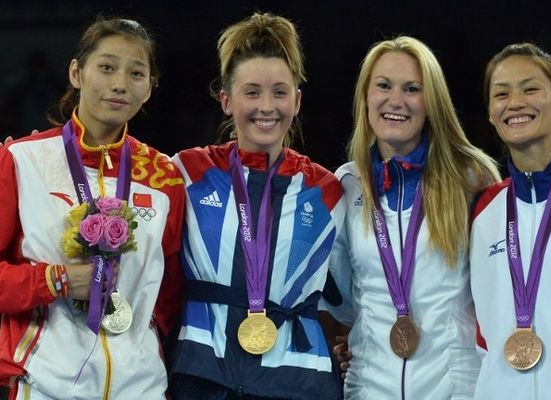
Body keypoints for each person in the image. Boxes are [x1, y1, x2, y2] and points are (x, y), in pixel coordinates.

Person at [0, 17, 186, 399]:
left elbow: (168, 287)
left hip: (141, 386)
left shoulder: (165, 177)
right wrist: (56, 280)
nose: (119, 83)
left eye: (136, 73)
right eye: (106, 67)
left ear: (150, 88)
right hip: (46, 382)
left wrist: (144, 341)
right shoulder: (23, 159)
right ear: (76, 72)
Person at [168, 12, 345, 400]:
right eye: (252, 92)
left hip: (299, 381)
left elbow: (358, 286)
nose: (267, 106)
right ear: (226, 100)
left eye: (280, 92)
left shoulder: (328, 189)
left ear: (296, 102)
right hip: (202, 376)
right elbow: (117, 188)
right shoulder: (186, 171)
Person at [325, 36, 500, 399]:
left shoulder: (472, 178)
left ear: (431, 101)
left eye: (412, 89)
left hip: (457, 387)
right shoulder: (347, 184)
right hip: (368, 387)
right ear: (366, 97)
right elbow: (341, 298)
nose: (396, 101)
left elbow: (501, 288)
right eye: (384, 86)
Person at [470, 42, 551, 399]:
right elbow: (476, 331)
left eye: (530, 88)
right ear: (491, 114)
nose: (515, 102)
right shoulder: (482, 211)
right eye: (501, 94)